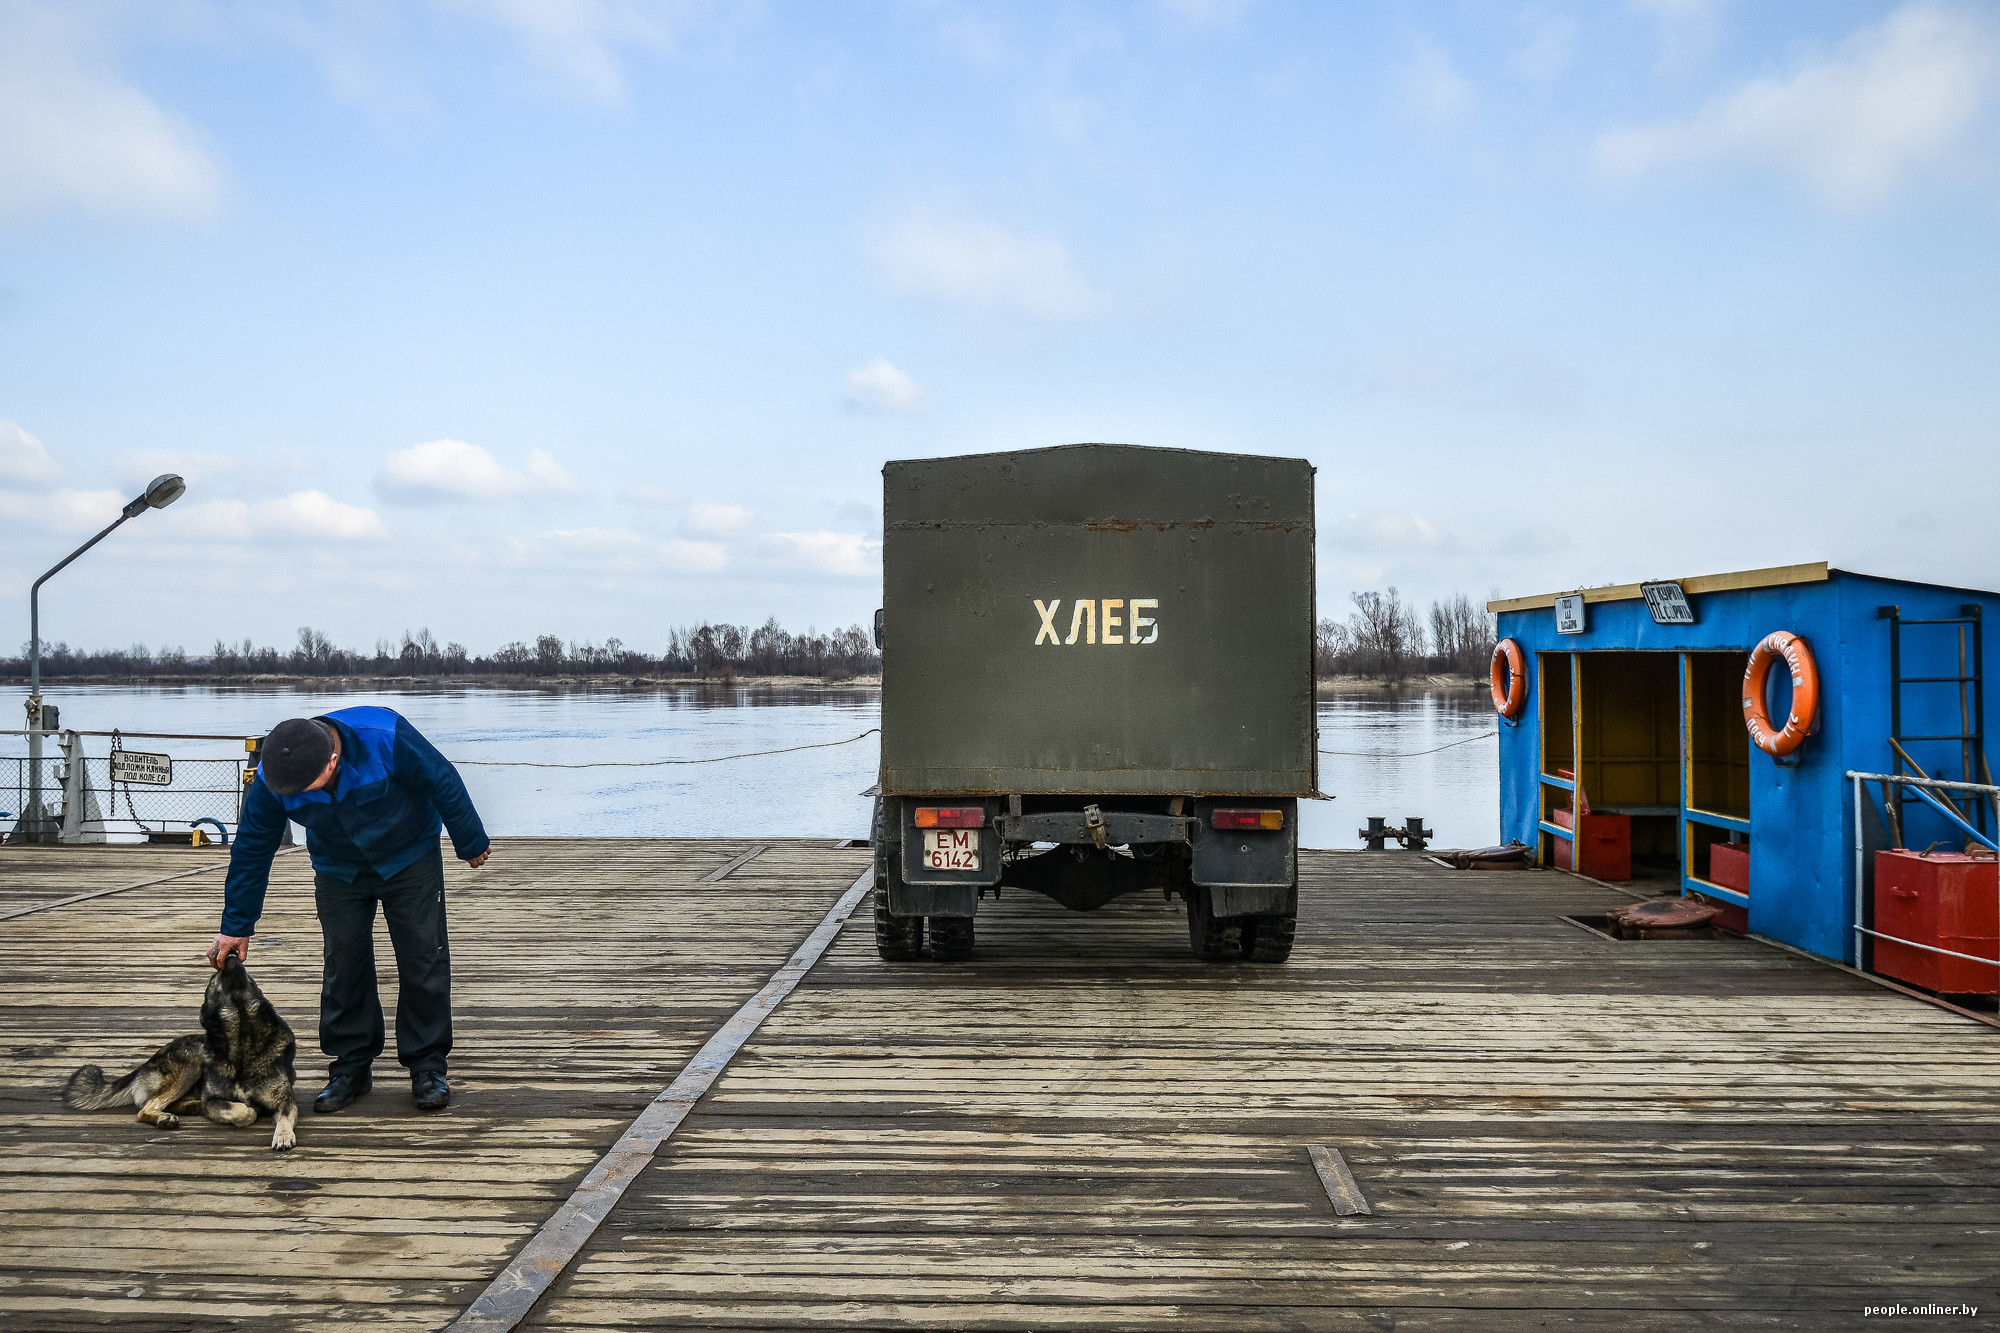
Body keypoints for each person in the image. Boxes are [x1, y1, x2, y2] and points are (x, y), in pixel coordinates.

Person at [209, 706, 490, 1114]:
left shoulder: (384, 735)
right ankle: (351, 1067)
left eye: (307, 788)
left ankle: (428, 1065)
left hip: (409, 857)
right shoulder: (276, 776)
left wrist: (469, 840)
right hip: (338, 868)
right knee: (344, 963)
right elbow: (252, 847)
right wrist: (236, 925)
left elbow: (442, 779)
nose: (299, 797)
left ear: (333, 761)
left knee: (424, 958)